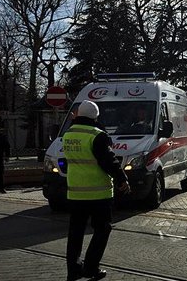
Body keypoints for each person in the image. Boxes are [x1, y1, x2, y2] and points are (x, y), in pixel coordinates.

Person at [64, 100, 131, 281]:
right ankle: (91, 267)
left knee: (75, 232)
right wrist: (121, 179)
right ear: (96, 116)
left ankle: (73, 270)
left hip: (75, 193)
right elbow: (109, 161)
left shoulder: (69, 134)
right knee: (102, 230)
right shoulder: (97, 135)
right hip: (98, 193)